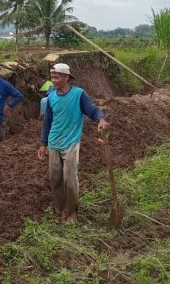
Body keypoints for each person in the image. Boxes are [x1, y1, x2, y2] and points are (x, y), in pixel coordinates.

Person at [38, 63, 109, 223]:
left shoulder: (78, 94)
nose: (53, 80)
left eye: (56, 77)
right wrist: (43, 143)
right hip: (54, 142)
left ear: (66, 77)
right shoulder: (51, 98)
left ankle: (72, 214)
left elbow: (92, 109)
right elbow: (47, 122)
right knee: (55, 179)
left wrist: (101, 119)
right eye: (52, 77)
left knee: (70, 180)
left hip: (71, 142)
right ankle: (60, 210)